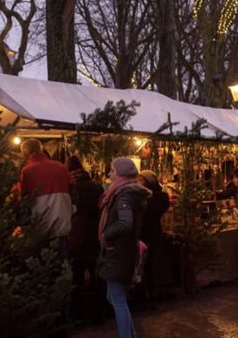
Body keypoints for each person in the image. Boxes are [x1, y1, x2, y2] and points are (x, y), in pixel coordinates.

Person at [97, 157, 151, 338]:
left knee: (117, 299)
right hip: (123, 250)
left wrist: (106, 234)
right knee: (114, 297)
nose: (109, 174)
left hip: (118, 252)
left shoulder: (124, 195)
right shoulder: (128, 192)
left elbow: (125, 222)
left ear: (120, 174)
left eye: (112, 170)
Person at [64, 155, 105, 326]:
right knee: (97, 277)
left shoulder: (72, 187)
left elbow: (70, 210)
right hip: (95, 235)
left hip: (78, 236)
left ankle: (78, 316)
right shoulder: (97, 186)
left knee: (77, 278)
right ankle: (98, 314)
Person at [17, 139, 72, 257]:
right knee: (62, 263)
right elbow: (72, 190)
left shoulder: (27, 171)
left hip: (40, 224)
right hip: (62, 222)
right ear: (40, 149)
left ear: (25, 153)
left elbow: (23, 198)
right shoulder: (60, 167)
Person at [136, 170, 170, 309]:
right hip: (153, 234)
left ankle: (148, 297)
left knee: (147, 266)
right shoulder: (158, 196)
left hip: (147, 235)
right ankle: (149, 296)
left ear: (147, 181)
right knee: (148, 266)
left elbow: (147, 214)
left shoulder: (154, 197)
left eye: (140, 179)